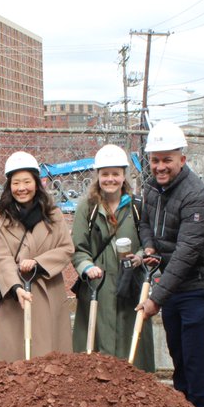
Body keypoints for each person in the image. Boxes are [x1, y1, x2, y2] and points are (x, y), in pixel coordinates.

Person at [137, 121, 204, 407]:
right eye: (155, 160)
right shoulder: (151, 187)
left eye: (167, 160)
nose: (160, 166)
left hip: (202, 285)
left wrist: (155, 301)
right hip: (175, 285)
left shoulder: (196, 196)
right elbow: (144, 222)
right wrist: (149, 245)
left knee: (193, 356)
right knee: (177, 352)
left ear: (182, 160)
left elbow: (187, 253)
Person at [70, 144, 153, 370]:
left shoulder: (137, 206)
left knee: (131, 344)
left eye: (115, 174)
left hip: (130, 284)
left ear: (124, 175)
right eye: (105, 174)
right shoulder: (87, 208)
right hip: (98, 284)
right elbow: (78, 247)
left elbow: (148, 242)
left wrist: (138, 257)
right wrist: (87, 266)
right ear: (97, 176)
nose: (110, 179)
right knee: (96, 342)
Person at [0, 151, 74, 361]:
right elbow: (1, 257)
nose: (21, 188)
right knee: (13, 358)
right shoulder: (0, 220)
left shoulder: (53, 215)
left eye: (27, 181)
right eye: (16, 183)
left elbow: (66, 248)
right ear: (9, 186)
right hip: (14, 296)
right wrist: (16, 287)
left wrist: (38, 263)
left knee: (50, 359)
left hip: (48, 291)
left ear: (36, 183)